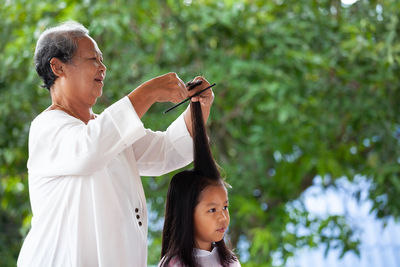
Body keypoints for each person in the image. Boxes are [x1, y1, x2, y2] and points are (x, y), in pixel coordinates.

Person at [17, 21, 214, 267]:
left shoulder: (108, 130)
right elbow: (89, 150)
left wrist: (199, 108)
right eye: (93, 59)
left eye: (102, 60)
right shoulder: (46, 127)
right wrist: (148, 92)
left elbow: (167, 152)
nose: (103, 67)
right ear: (57, 67)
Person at [159, 96, 240, 266]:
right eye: (212, 210)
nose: (223, 217)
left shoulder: (230, 261)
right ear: (186, 213)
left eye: (225, 207)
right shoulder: (175, 264)